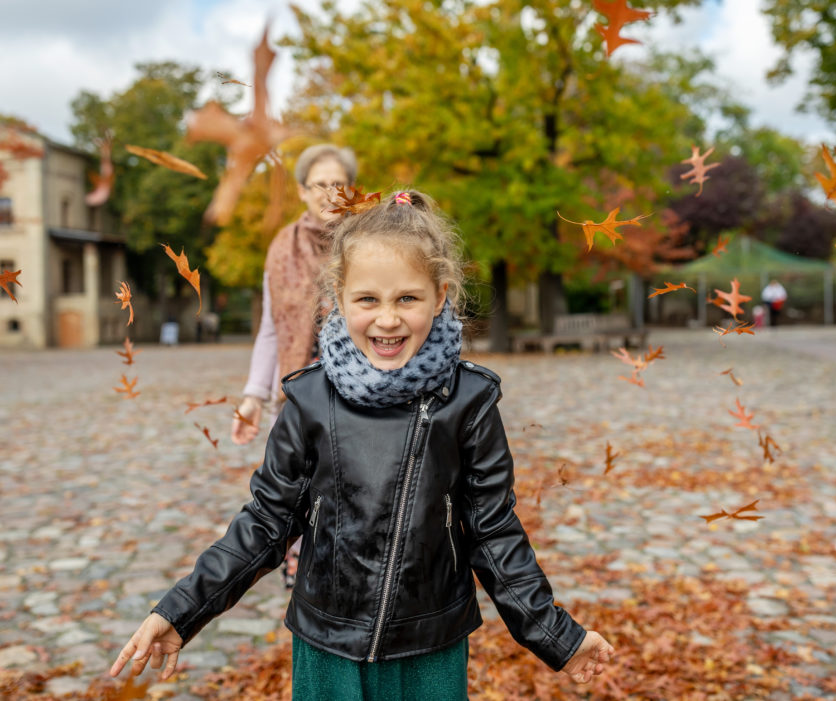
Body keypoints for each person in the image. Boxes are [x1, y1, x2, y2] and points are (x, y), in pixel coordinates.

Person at [109, 190, 615, 699]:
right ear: (338, 298)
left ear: (440, 296)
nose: (388, 319)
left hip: (430, 645)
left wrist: (557, 637)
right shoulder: (307, 398)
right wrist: (180, 611)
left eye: (407, 299)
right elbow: (265, 522)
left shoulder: (470, 401)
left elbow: (494, 532)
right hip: (327, 643)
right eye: (368, 299)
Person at [232, 143, 358, 588]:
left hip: (364, 393)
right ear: (303, 191)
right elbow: (271, 329)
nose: (329, 193)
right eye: (319, 184)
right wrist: (252, 396)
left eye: (338, 184)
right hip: (301, 394)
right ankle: (308, 588)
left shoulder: (370, 240)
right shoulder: (282, 248)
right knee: (302, 495)